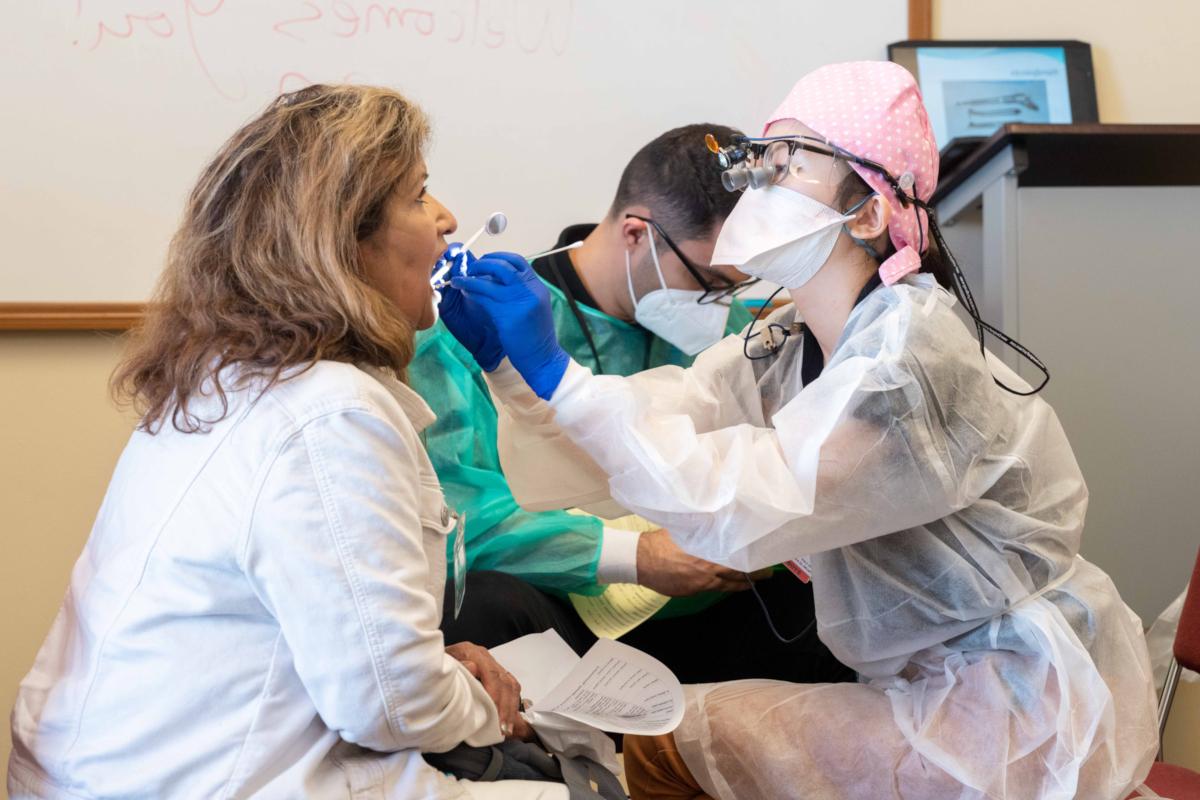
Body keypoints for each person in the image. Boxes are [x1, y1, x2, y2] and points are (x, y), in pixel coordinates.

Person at [445, 62, 1160, 799]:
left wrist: (559, 377)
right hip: (919, 685)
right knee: (663, 730)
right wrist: (515, 374)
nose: (757, 184)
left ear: (869, 214)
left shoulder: (907, 363)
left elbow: (735, 502)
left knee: (664, 745)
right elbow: (660, 420)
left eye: (787, 164)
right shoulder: (786, 341)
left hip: (1016, 710)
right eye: (763, 160)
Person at [7, 85, 573, 799]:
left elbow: (359, 650)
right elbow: (388, 700)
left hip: (116, 768)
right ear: (341, 240)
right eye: (419, 196)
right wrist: (480, 707)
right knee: (561, 783)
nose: (448, 220)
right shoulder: (330, 412)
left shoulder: (232, 377)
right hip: (188, 781)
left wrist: (433, 668)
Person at [417, 124, 851, 685]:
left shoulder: (738, 335)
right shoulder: (480, 325)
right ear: (635, 234)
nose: (720, 307)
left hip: (713, 611)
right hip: (566, 613)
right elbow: (460, 513)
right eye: (709, 281)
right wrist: (637, 554)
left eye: (736, 286)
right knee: (482, 604)